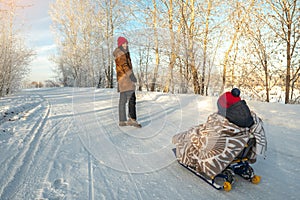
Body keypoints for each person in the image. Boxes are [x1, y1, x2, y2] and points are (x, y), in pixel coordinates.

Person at [113, 36, 141, 128]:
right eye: (123, 43)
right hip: (126, 80)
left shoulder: (121, 53)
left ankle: (122, 120)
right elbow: (124, 65)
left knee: (123, 100)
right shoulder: (120, 53)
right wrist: (131, 75)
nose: (125, 45)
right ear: (120, 45)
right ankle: (132, 119)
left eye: (126, 43)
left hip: (122, 80)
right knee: (132, 98)